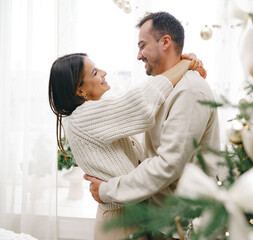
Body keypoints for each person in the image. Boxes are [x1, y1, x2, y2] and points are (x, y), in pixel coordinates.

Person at [84, 11, 221, 238]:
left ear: (165, 42)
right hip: (159, 221)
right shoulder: (162, 88)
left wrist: (108, 190)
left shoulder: (189, 91)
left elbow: (167, 164)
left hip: (183, 228)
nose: (139, 55)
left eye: (142, 45)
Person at [48, 52, 205, 240]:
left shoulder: (89, 115)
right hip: (121, 221)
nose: (104, 73)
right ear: (80, 91)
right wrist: (185, 64)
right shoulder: (83, 118)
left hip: (126, 214)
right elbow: (142, 102)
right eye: (95, 72)